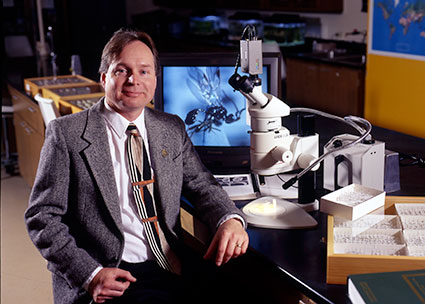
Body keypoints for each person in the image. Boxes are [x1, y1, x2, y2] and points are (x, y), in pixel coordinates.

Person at [25, 28, 249, 304]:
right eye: (122, 71)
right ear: (104, 77)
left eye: (144, 71)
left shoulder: (171, 128)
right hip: (107, 274)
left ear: (155, 80)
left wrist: (230, 219)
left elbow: (202, 184)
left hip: (169, 263)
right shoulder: (66, 134)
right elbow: (42, 217)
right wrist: (89, 274)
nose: (134, 80)